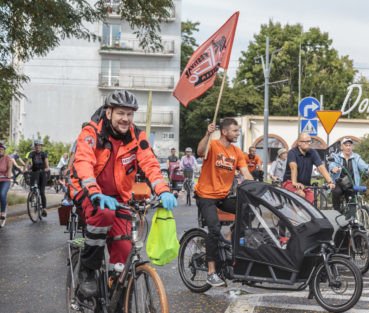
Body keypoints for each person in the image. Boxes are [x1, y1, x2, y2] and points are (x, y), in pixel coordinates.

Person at [70, 90, 177, 297]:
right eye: (120, 113)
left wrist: (163, 189)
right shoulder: (91, 132)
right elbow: (83, 163)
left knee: (123, 247)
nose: (125, 119)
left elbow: (150, 163)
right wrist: (94, 192)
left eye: (129, 114)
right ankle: (88, 269)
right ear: (108, 113)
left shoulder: (137, 136)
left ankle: (116, 294)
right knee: (104, 213)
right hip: (87, 189)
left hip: (118, 197)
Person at [195, 118, 253, 287]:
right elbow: (200, 150)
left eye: (238, 131)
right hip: (206, 195)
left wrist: (255, 186)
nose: (238, 133)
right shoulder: (212, 145)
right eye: (235, 131)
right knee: (214, 229)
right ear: (224, 132)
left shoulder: (236, 151)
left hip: (223, 196)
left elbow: (245, 172)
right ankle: (211, 272)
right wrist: (207, 133)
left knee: (247, 212)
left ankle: (228, 241)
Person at [283, 133, 335, 203]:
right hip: (290, 182)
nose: (309, 143)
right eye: (306, 142)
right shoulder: (292, 152)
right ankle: (295, 213)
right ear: (299, 143)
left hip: (305, 185)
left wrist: (330, 182)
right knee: (301, 194)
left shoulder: (313, 153)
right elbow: (293, 167)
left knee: (311, 203)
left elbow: (321, 167)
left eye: (310, 141)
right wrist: (295, 182)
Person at [329, 138, 369, 212]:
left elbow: (363, 165)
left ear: (352, 147)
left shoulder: (356, 157)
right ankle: (337, 212)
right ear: (342, 147)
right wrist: (333, 169)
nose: (348, 147)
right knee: (336, 192)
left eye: (350, 145)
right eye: (346, 145)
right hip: (339, 183)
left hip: (351, 184)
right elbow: (332, 165)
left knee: (352, 200)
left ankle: (352, 217)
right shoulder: (336, 157)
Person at [24, 139, 50, 216]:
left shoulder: (44, 154)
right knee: (33, 186)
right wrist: (24, 169)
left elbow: (47, 165)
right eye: (36, 145)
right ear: (35, 146)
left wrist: (46, 169)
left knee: (42, 191)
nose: (38, 147)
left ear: (41, 146)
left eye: (39, 145)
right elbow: (27, 161)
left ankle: (44, 209)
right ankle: (33, 195)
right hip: (35, 172)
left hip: (42, 172)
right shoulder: (32, 154)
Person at [0, 143, 13, 226]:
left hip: (5, 180)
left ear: (4, 150)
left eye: (1, 149)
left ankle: (3, 211)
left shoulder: (8, 158)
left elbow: (9, 168)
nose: (0, 150)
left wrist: (8, 174)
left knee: (2, 194)